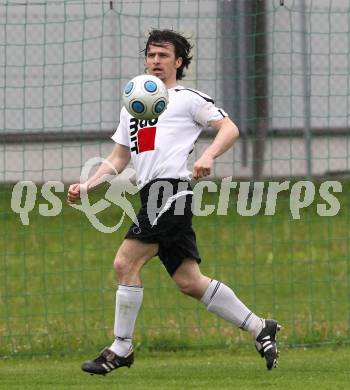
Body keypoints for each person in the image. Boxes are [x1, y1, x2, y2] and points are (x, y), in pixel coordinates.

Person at [67, 29, 280, 374]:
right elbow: (119, 157)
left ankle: (120, 348)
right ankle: (260, 327)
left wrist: (208, 156)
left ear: (178, 62)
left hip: (172, 191)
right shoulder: (134, 104)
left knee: (125, 263)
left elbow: (229, 129)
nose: (155, 61)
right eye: (151, 55)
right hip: (150, 192)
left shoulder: (187, 99)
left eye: (163, 55)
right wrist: (89, 184)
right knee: (189, 280)